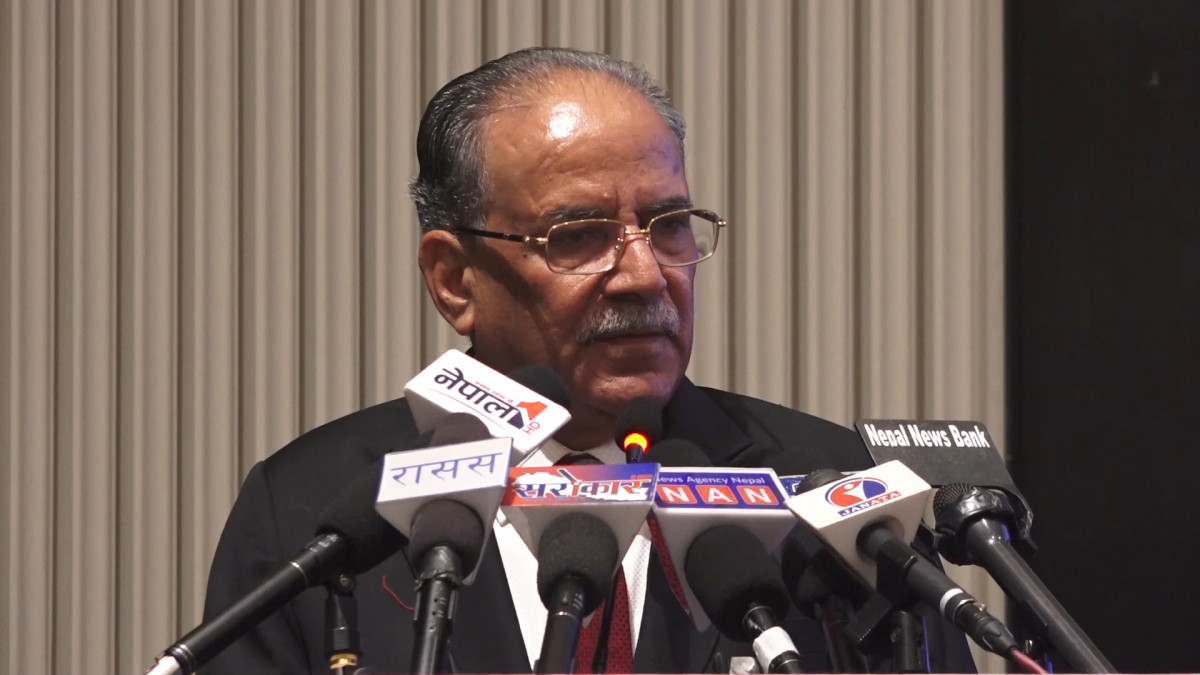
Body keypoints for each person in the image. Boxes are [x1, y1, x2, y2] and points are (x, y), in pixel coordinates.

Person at [202, 47, 977, 673]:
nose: (645, 274)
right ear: (454, 280)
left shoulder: (838, 498)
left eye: (669, 224)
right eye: (576, 235)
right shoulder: (309, 513)